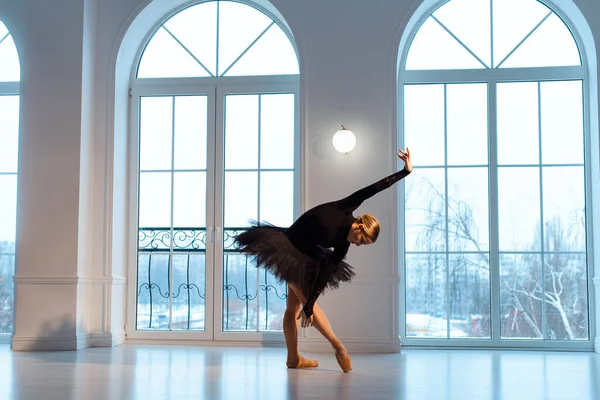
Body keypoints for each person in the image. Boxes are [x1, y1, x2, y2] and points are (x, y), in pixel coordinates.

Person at [233, 148, 413, 372]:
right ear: (359, 225)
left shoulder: (343, 246)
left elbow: (327, 273)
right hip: (287, 247)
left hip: (306, 256)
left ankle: (293, 358)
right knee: (302, 302)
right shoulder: (346, 207)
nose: (358, 245)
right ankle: (338, 347)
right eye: (361, 240)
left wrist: (309, 305)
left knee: (295, 307)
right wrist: (405, 172)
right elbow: (375, 188)